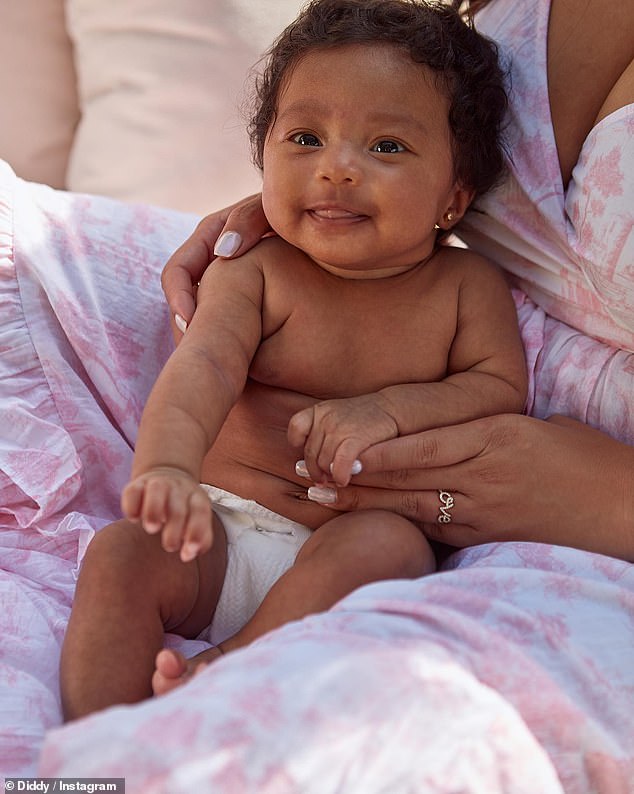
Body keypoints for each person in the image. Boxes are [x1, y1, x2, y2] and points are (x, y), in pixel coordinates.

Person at [31, 0, 634, 789]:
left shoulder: (463, 285)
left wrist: (386, 413)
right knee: (120, 554)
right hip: (222, 529)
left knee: (389, 547)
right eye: (304, 139)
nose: (336, 167)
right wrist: (168, 473)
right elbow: (200, 371)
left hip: (347, 539)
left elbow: (493, 390)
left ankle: (230, 665)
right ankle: (94, 754)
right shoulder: (258, 271)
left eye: (386, 146)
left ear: (454, 198)